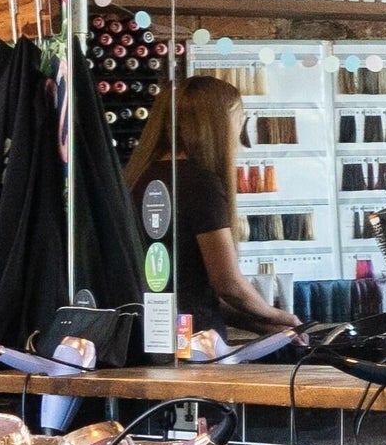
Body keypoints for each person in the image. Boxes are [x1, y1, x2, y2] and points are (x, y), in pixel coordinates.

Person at [122, 76, 291, 349]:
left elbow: (186, 291)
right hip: (196, 345)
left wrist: (260, 324)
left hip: (147, 338)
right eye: (239, 119)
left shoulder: (136, 179)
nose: (240, 129)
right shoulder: (200, 184)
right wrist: (278, 315)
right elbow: (227, 284)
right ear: (217, 124)